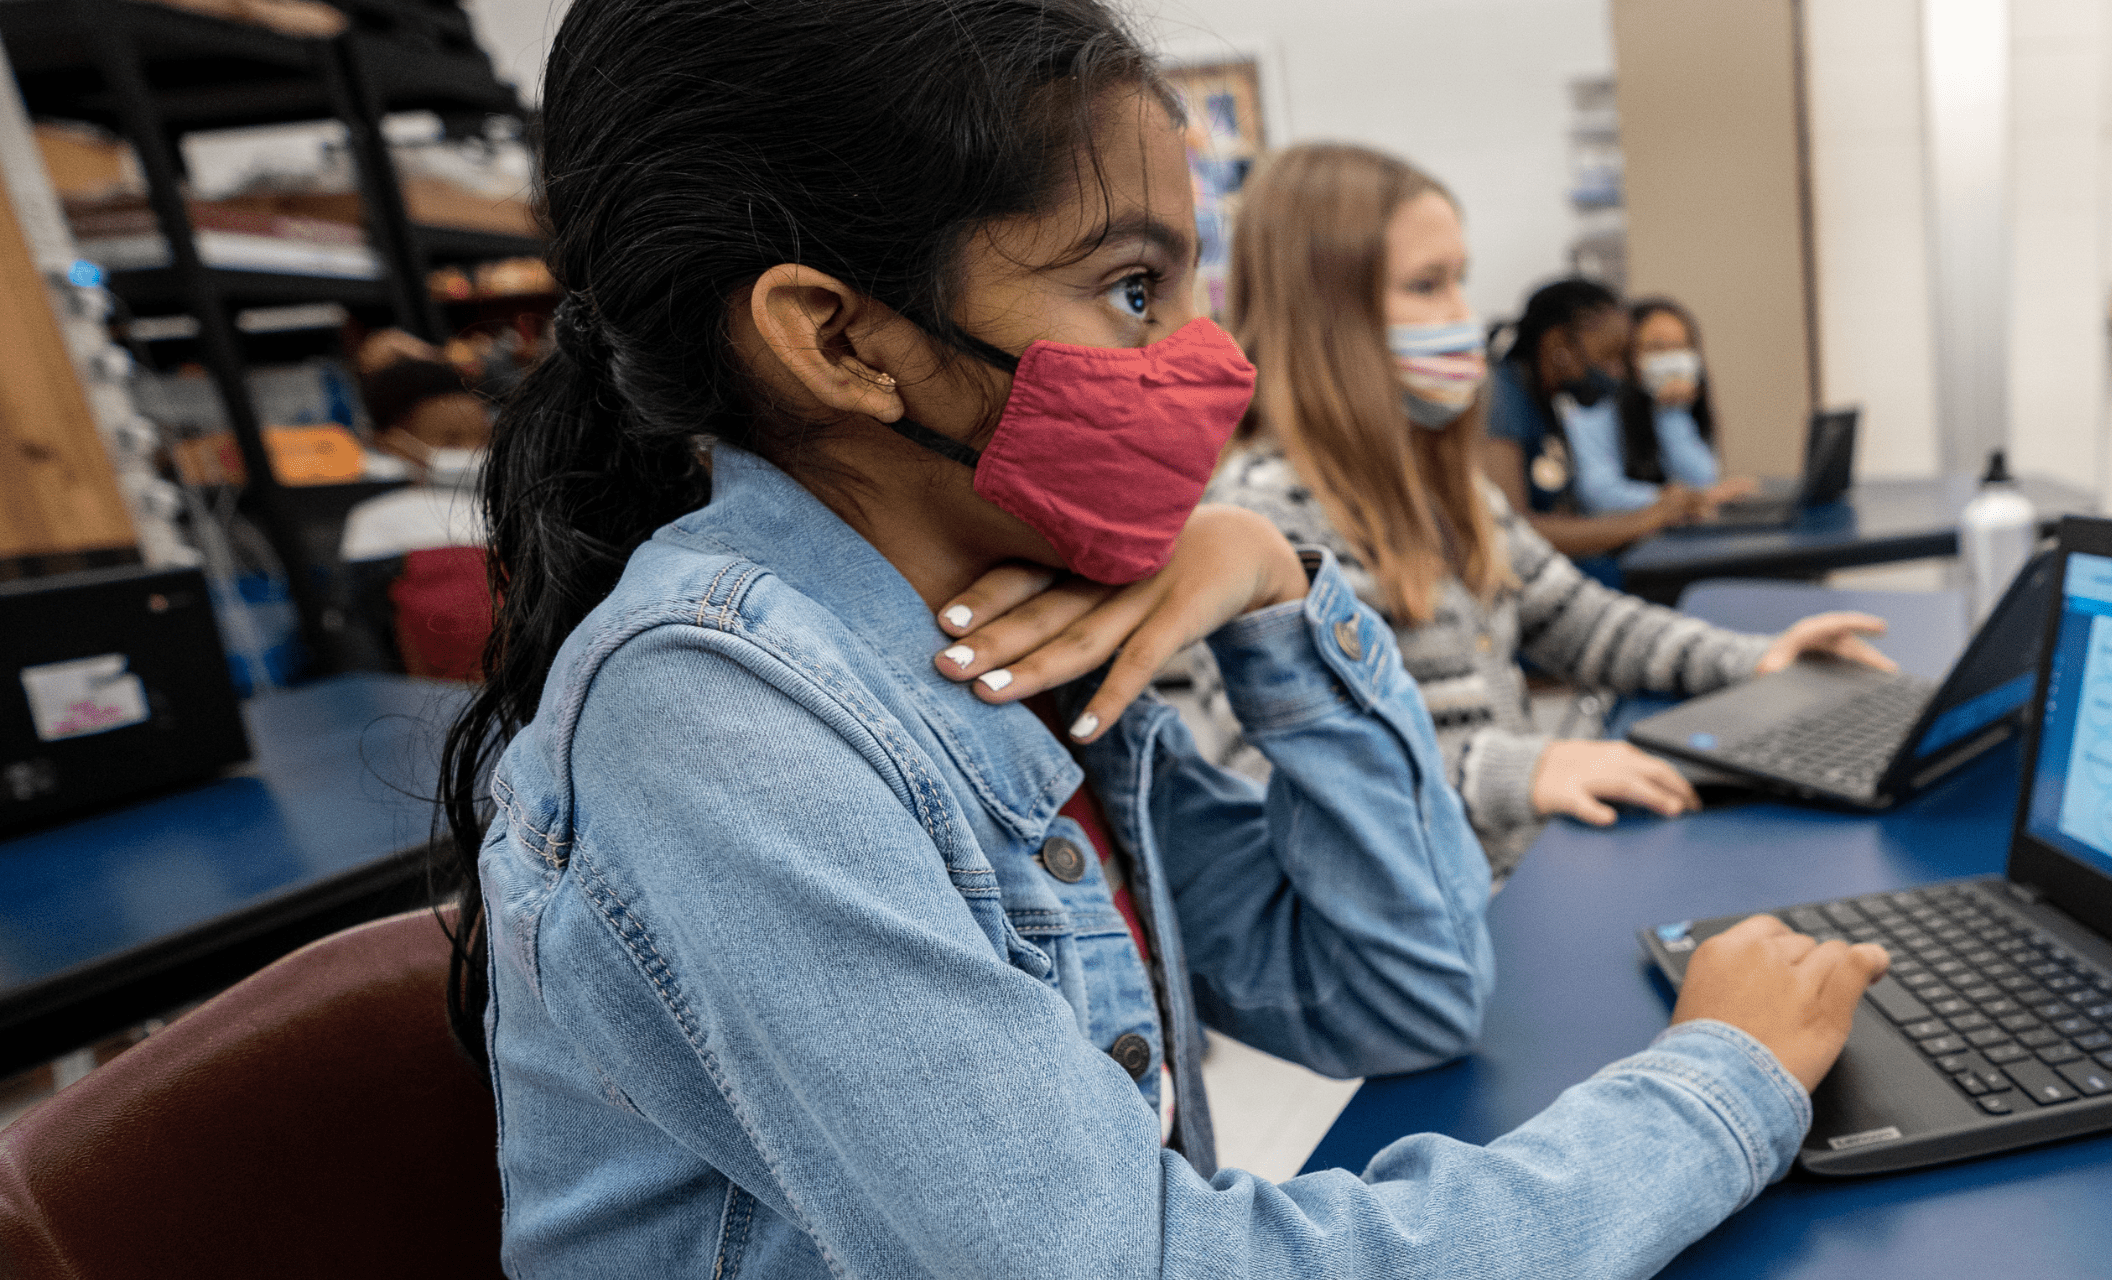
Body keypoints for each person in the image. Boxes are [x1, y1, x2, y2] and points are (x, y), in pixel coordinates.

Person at [434, 4, 1885, 1276]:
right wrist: (1715, 1091)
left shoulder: (1012, 628)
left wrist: (1276, 598)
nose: (1210, 364)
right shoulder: (716, 713)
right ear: (840, 341)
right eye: (1134, 292)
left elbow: (1399, 997)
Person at [1202, 142, 1896, 876]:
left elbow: (1581, 621)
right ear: (1324, 313)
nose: (1464, 318)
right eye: (1427, 285)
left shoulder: (1443, 486)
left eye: (1460, 281)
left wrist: (1756, 658)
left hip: (1508, 877)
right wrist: (1518, 768)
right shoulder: (1261, 519)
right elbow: (1267, 773)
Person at [1481, 278, 1710, 563]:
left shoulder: (1548, 403)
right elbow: (1511, 530)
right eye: (1608, 356)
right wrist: (1650, 518)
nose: (1616, 373)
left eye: (1621, 359)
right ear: (1557, 345)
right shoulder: (1502, 397)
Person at [337, 345, 493, 679]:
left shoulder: (510, 505)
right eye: (451, 441)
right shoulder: (379, 523)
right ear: (391, 443)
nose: (473, 452)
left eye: (483, 439)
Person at [1614, 296, 1732, 504]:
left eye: (1681, 347)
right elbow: (1599, 493)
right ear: (1629, 355)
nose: (1672, 359)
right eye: (1657, 348)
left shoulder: (1685, 410)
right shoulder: (1599, 409)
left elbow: (1702, 479)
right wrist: (1680, 501)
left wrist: (1670, 411)